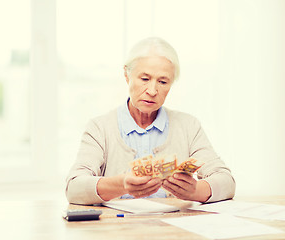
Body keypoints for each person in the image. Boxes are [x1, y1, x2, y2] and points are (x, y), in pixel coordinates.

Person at [65, 37, 235, 205]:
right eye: (145, 79)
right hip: (117, 229)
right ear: (126, 75)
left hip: (174, 230)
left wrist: (195, 191)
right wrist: (122, 184)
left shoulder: (189, 126)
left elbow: (227, 182)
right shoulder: (99, 128)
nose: (153, 90)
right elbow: (74, 188)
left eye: (163, 81)